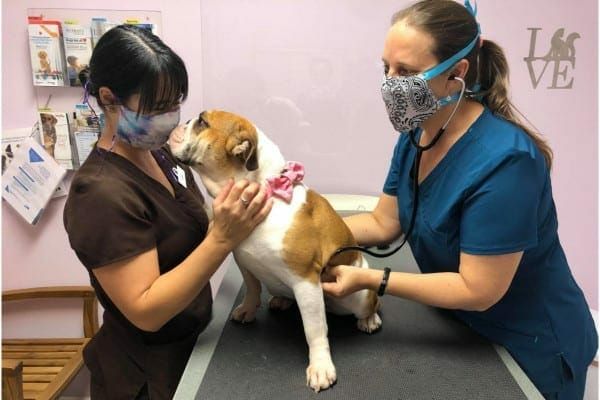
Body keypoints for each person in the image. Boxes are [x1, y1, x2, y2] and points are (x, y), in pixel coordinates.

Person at [321, 1, 597, 399]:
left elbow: (477, 289)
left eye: (409, 73)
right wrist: (305, 231)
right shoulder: (417, 132)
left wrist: (371, 279)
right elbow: (385, 222)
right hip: (463, 330)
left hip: (531, 346)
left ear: (457, 73)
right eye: (387, 69)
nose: (391, 84)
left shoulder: (507, 161)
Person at [63, 25, 272, 399]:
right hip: (147, 377)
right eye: (158, 107)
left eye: (175, 103)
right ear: (110, 99)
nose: (172, 117)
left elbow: (188, 229)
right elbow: (146, 309)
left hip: (193, 345)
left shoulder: (159, 153)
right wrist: (223, 237)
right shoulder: (98, 192)